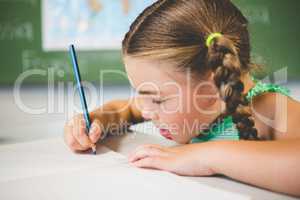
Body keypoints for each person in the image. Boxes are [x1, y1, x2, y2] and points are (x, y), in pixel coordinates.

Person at [64, 0, 300, 196]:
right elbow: (125, 110)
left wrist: (205, 156)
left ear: (210, 89)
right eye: (141, 94)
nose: (146, 111)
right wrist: (97, 120)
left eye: (157, 100)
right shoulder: (167, 103)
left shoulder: (268, 108)